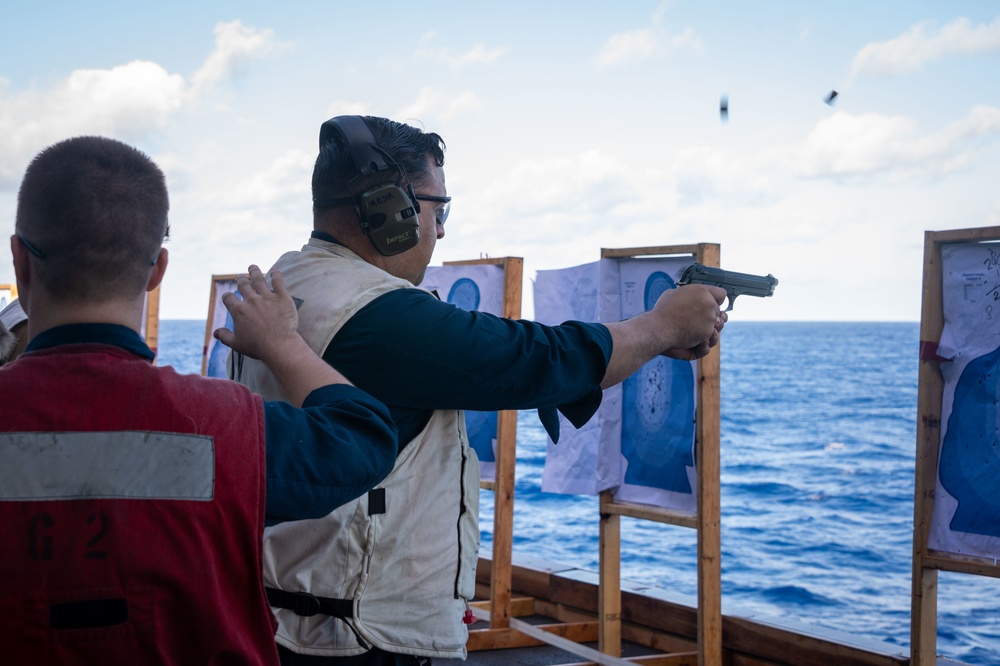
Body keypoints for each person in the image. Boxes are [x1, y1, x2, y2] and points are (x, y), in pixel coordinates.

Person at [232, 115, 727, 666]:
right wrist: (659, 328)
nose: (441, 230)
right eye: (436, 209)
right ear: (388, 211)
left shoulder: (291, 281)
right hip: (366, 640)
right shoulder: (372, 312)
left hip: (296, 620)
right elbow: (534, 359)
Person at [0, 136, 399, 665]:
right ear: (158, 270)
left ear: (20, 262)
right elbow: (363, 436)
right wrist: (282, 344)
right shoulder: (226, 425)